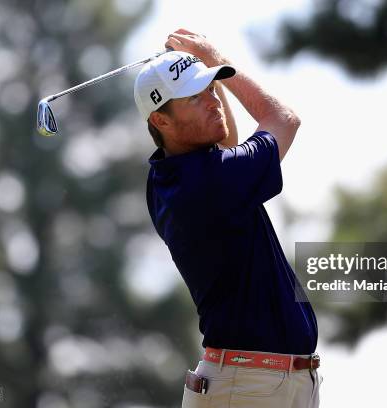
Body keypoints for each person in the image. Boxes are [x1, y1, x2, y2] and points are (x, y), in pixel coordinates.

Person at [134, 28, 321, 407]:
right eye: (194, 97)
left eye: (210, 89)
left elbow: (227, 148)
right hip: (248, 388)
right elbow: (284, 120)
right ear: (162, 121)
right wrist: (218, 58)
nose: (213, 101)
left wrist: (208, 72)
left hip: (253, 383)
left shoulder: (168, 177)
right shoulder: (207, 182)